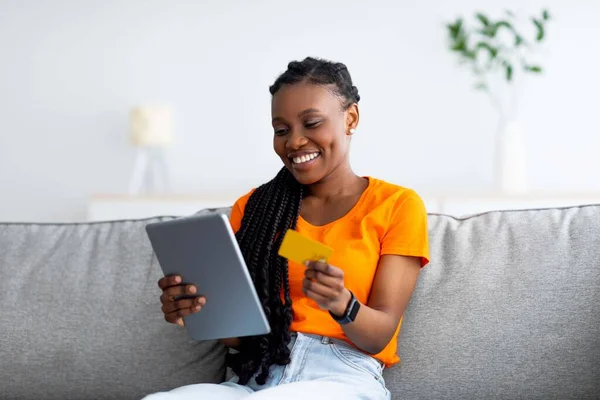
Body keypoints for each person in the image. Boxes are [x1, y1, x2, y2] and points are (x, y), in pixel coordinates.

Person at [144, 57, 430, 400]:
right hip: (258, 376)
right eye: (281, 130)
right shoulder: (256, 210)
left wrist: (343, 303)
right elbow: (241, 337)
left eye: (311, 123)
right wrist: (197, 311)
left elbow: (379, 335)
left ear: (350, 118)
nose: (294, 142)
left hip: (342, 376)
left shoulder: (397, 205)